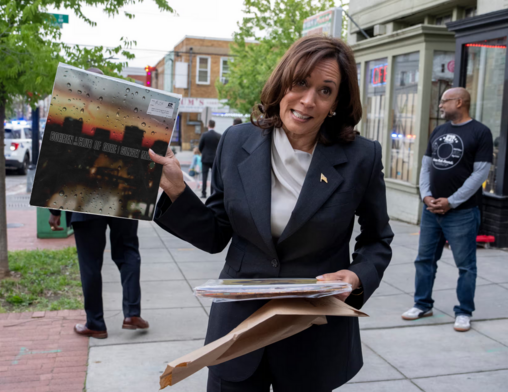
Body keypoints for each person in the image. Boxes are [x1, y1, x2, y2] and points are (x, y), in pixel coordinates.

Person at [149, 35, 393, 392]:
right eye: (300, 83)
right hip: (237, 334)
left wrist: (355, 277)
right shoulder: (236, 142)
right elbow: (216, 233)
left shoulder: (362, 157)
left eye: (325, 91)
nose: (308, 100)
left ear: (337, 102)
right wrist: (176, 191)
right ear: (283, 83)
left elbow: (377, 240)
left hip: (312, 338)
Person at [48, 67, 149, 340]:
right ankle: (131, 312)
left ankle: (96, 323)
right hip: (122, 196)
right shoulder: (127, 113)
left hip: (83, 199)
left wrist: (54, 209)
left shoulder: (71, 113)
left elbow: (61, 163)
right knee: (128, 251)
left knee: (90, 263)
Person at [402, 88, 493, 333]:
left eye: (444, 101)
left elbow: (480, 173)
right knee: (424, 261)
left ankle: (464, 312)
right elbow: (426, 167)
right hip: (431, 211)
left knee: (465, 266)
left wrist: (451, 201)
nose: (440, 105)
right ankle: (422, 304)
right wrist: (426, 195)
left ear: (460, 102)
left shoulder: (480, 132)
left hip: (462, 213)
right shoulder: (439, 131)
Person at [198, 119, 221, 198]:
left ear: (208, 125)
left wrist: (203, 153)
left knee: (204, 176)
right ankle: (212, 193)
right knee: (213, 177)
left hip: (205, 158)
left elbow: (200, 146)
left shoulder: (204, 135)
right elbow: (220, 148)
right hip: (215, 159)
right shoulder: (218, 135)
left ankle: (203, 193)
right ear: (214, 125)